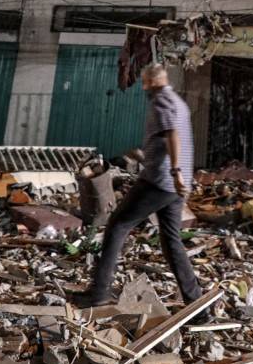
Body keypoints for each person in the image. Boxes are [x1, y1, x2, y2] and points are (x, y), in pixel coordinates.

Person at [71, 64, 203, 308]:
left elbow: (172, 135)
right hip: (174, 184)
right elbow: (169, 139)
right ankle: (196, 301)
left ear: (151, 82)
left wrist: (174, 172)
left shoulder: (161, 101)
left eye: (144, 82)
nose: (143, 88)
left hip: (160, 180)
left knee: (117, 225)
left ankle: (99, 293)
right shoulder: (179, 102)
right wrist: (145, 157)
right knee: (171, 240)